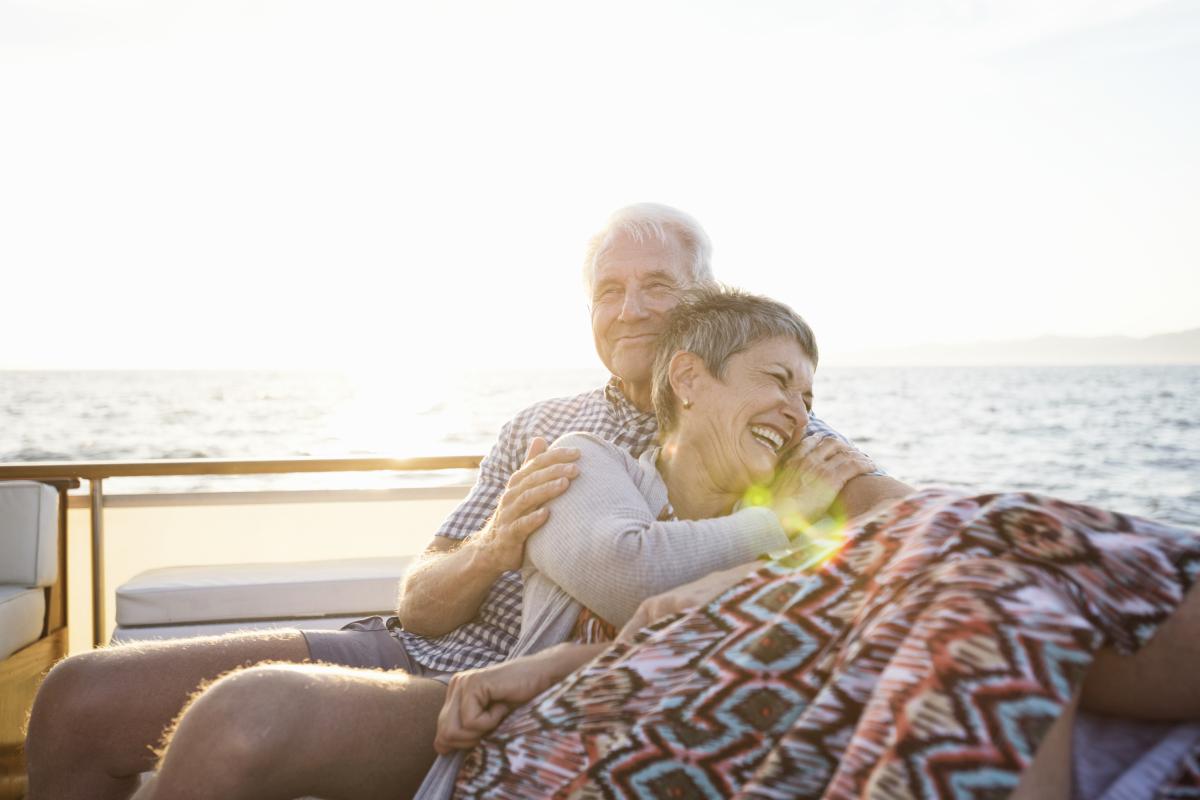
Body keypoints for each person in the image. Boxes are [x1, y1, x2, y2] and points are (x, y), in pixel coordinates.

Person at [25, 204, 907, 799]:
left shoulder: (767, 417)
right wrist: (493, 547)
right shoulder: (542, 424)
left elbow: (894, 516)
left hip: (521, 685)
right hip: (412, 649)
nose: (631, 309)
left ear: (703, 306)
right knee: (78, 694)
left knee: (245, 722)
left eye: (657, 287)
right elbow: (420, 603)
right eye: (609, 290)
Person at [420, 289, 1200, 800]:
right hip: (581, 736)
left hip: (754, 719)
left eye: (808, 395)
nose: (800, 412)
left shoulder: (801, 504)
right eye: (777, 381)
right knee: (959, 558)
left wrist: (838, 501)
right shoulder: (589, 460)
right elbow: (632, 582)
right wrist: (785, 522)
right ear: (688, 379)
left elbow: (921, 535)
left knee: (974, 583)